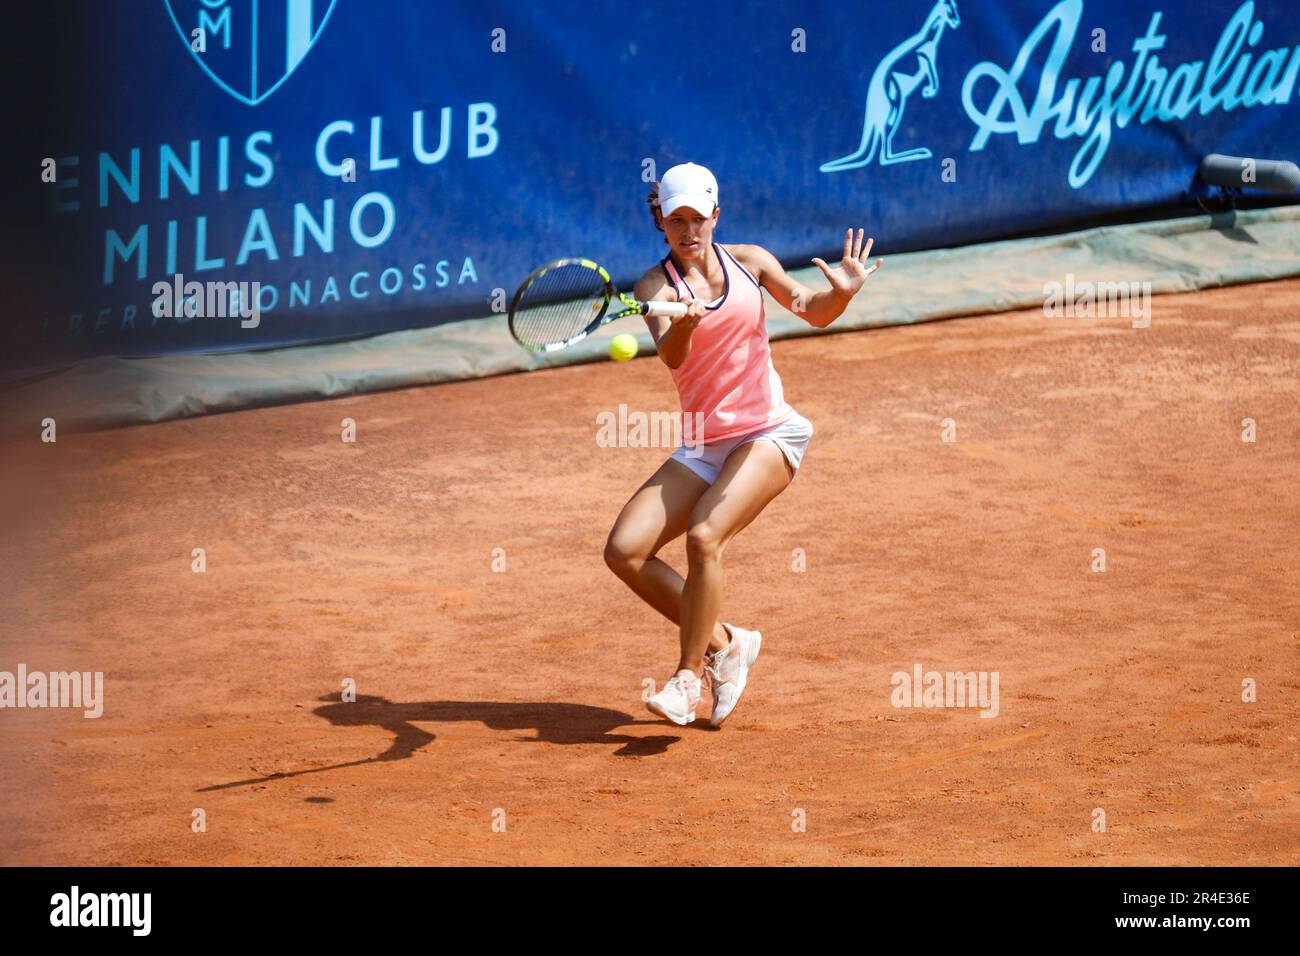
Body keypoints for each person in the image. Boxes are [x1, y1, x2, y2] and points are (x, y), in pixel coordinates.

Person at [603, 162, 883, 726]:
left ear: (716, 217)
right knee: (625, 551)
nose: (688, 231)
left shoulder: (751, 262)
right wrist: (683, 322)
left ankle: (686, 680)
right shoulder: (654, 288)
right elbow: (674, 358)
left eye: (698, 219)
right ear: (660, 220)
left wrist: (843, 296)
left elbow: (813, 312)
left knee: (705, 536)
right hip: (705, 447)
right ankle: (727, 643)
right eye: (675, 219)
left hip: (767, 434)